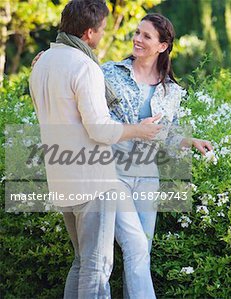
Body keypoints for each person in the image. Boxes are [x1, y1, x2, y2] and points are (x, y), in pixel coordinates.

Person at [29, 1, 163, 298]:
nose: (104, 35)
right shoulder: (84, 66)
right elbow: (100, 129)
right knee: (96, 266)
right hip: (92, 180)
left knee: (81, 262)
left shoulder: (42, 64)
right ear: (89, 32)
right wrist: (138, 130)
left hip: (60, 177)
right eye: (102, 30)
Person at [101, 13, 213, 298]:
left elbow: (167, 134)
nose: (137, 39)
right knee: (136, 245)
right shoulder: (109, 73)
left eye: (146, 36)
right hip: (113, 171)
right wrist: (48, 62)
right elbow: (93, 116)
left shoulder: (171, 90)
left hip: (148, 174)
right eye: (137, 33)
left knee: (142, 251)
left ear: (163, 46)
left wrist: (190, 141)